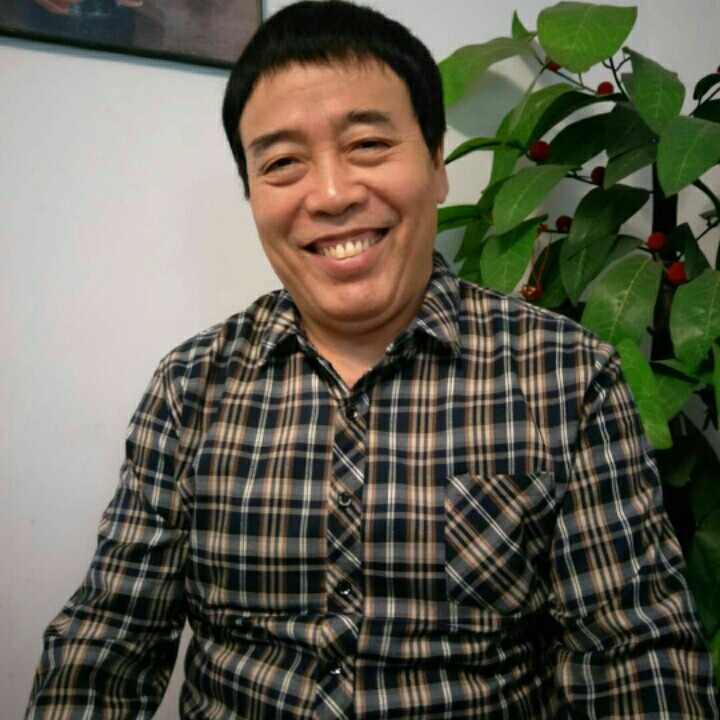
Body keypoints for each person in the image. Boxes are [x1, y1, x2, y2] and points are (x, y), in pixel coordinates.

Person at [25, 1, 720, 717]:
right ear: (252, 194)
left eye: (367, 145)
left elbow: (639, 660)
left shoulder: (567, 378)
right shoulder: (190, 387)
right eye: (282, 163)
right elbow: (105, 647)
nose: (331, 195)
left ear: (437, 164)